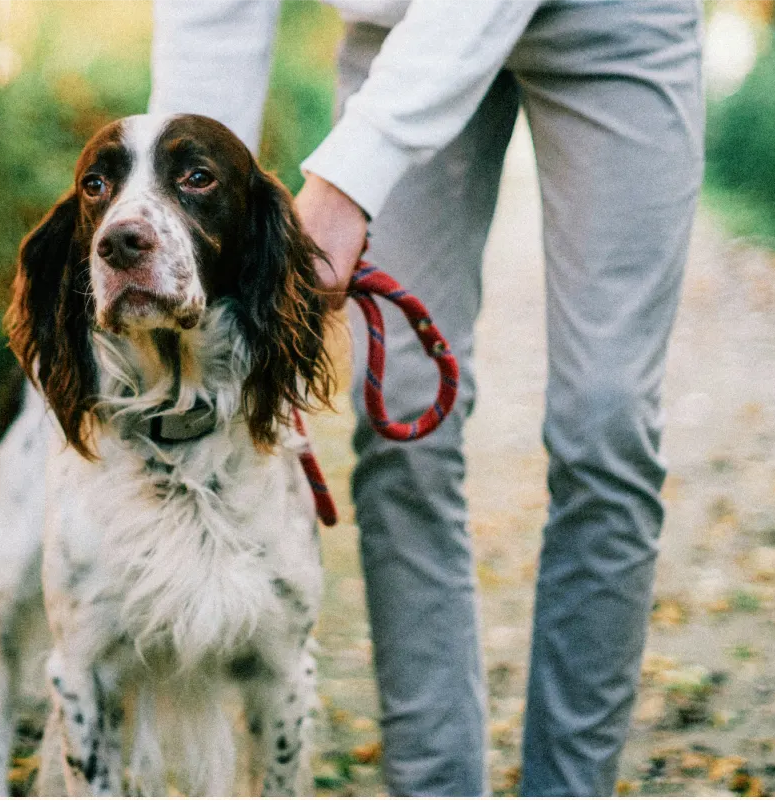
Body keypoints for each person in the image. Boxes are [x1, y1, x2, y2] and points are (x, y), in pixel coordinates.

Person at [149, 0, 703, 795]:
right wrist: (182, 214)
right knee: (401, 422)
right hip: (396, 25)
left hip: (616, 21)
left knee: (605, 424)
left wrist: (348, 179)